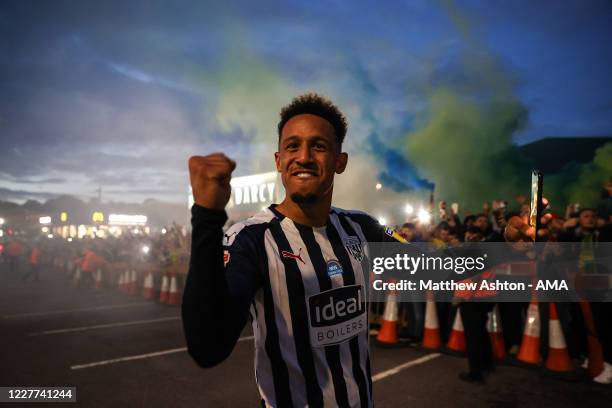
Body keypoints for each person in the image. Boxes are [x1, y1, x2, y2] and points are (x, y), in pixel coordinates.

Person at [182, 93, 536, 406]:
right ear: (278, 160)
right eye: (292, 146)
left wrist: (502, 241)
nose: (303, 157)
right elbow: (208, 346)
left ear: (340, 161)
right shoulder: (251, 239)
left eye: (318, 146)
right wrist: (207, 217)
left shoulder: (361, 227)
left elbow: (433, 265)